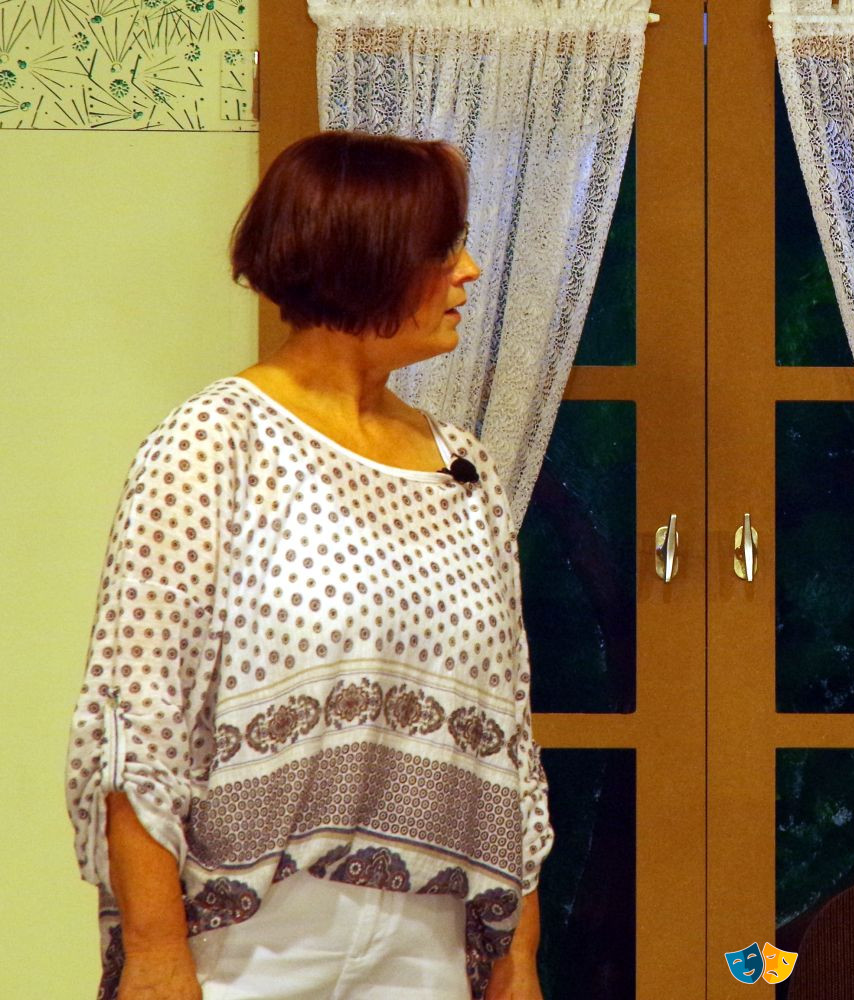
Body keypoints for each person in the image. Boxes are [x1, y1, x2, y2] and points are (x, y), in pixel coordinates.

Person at [65, 131, 552, 1000]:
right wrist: (154, 951)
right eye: (443, 249)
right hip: (251, 942)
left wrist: (518, 955)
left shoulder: (464, 467)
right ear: (366, 256)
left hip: (430, 945)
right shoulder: (213, 443)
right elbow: (134, 724)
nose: (470, 271)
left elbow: (510, 736)